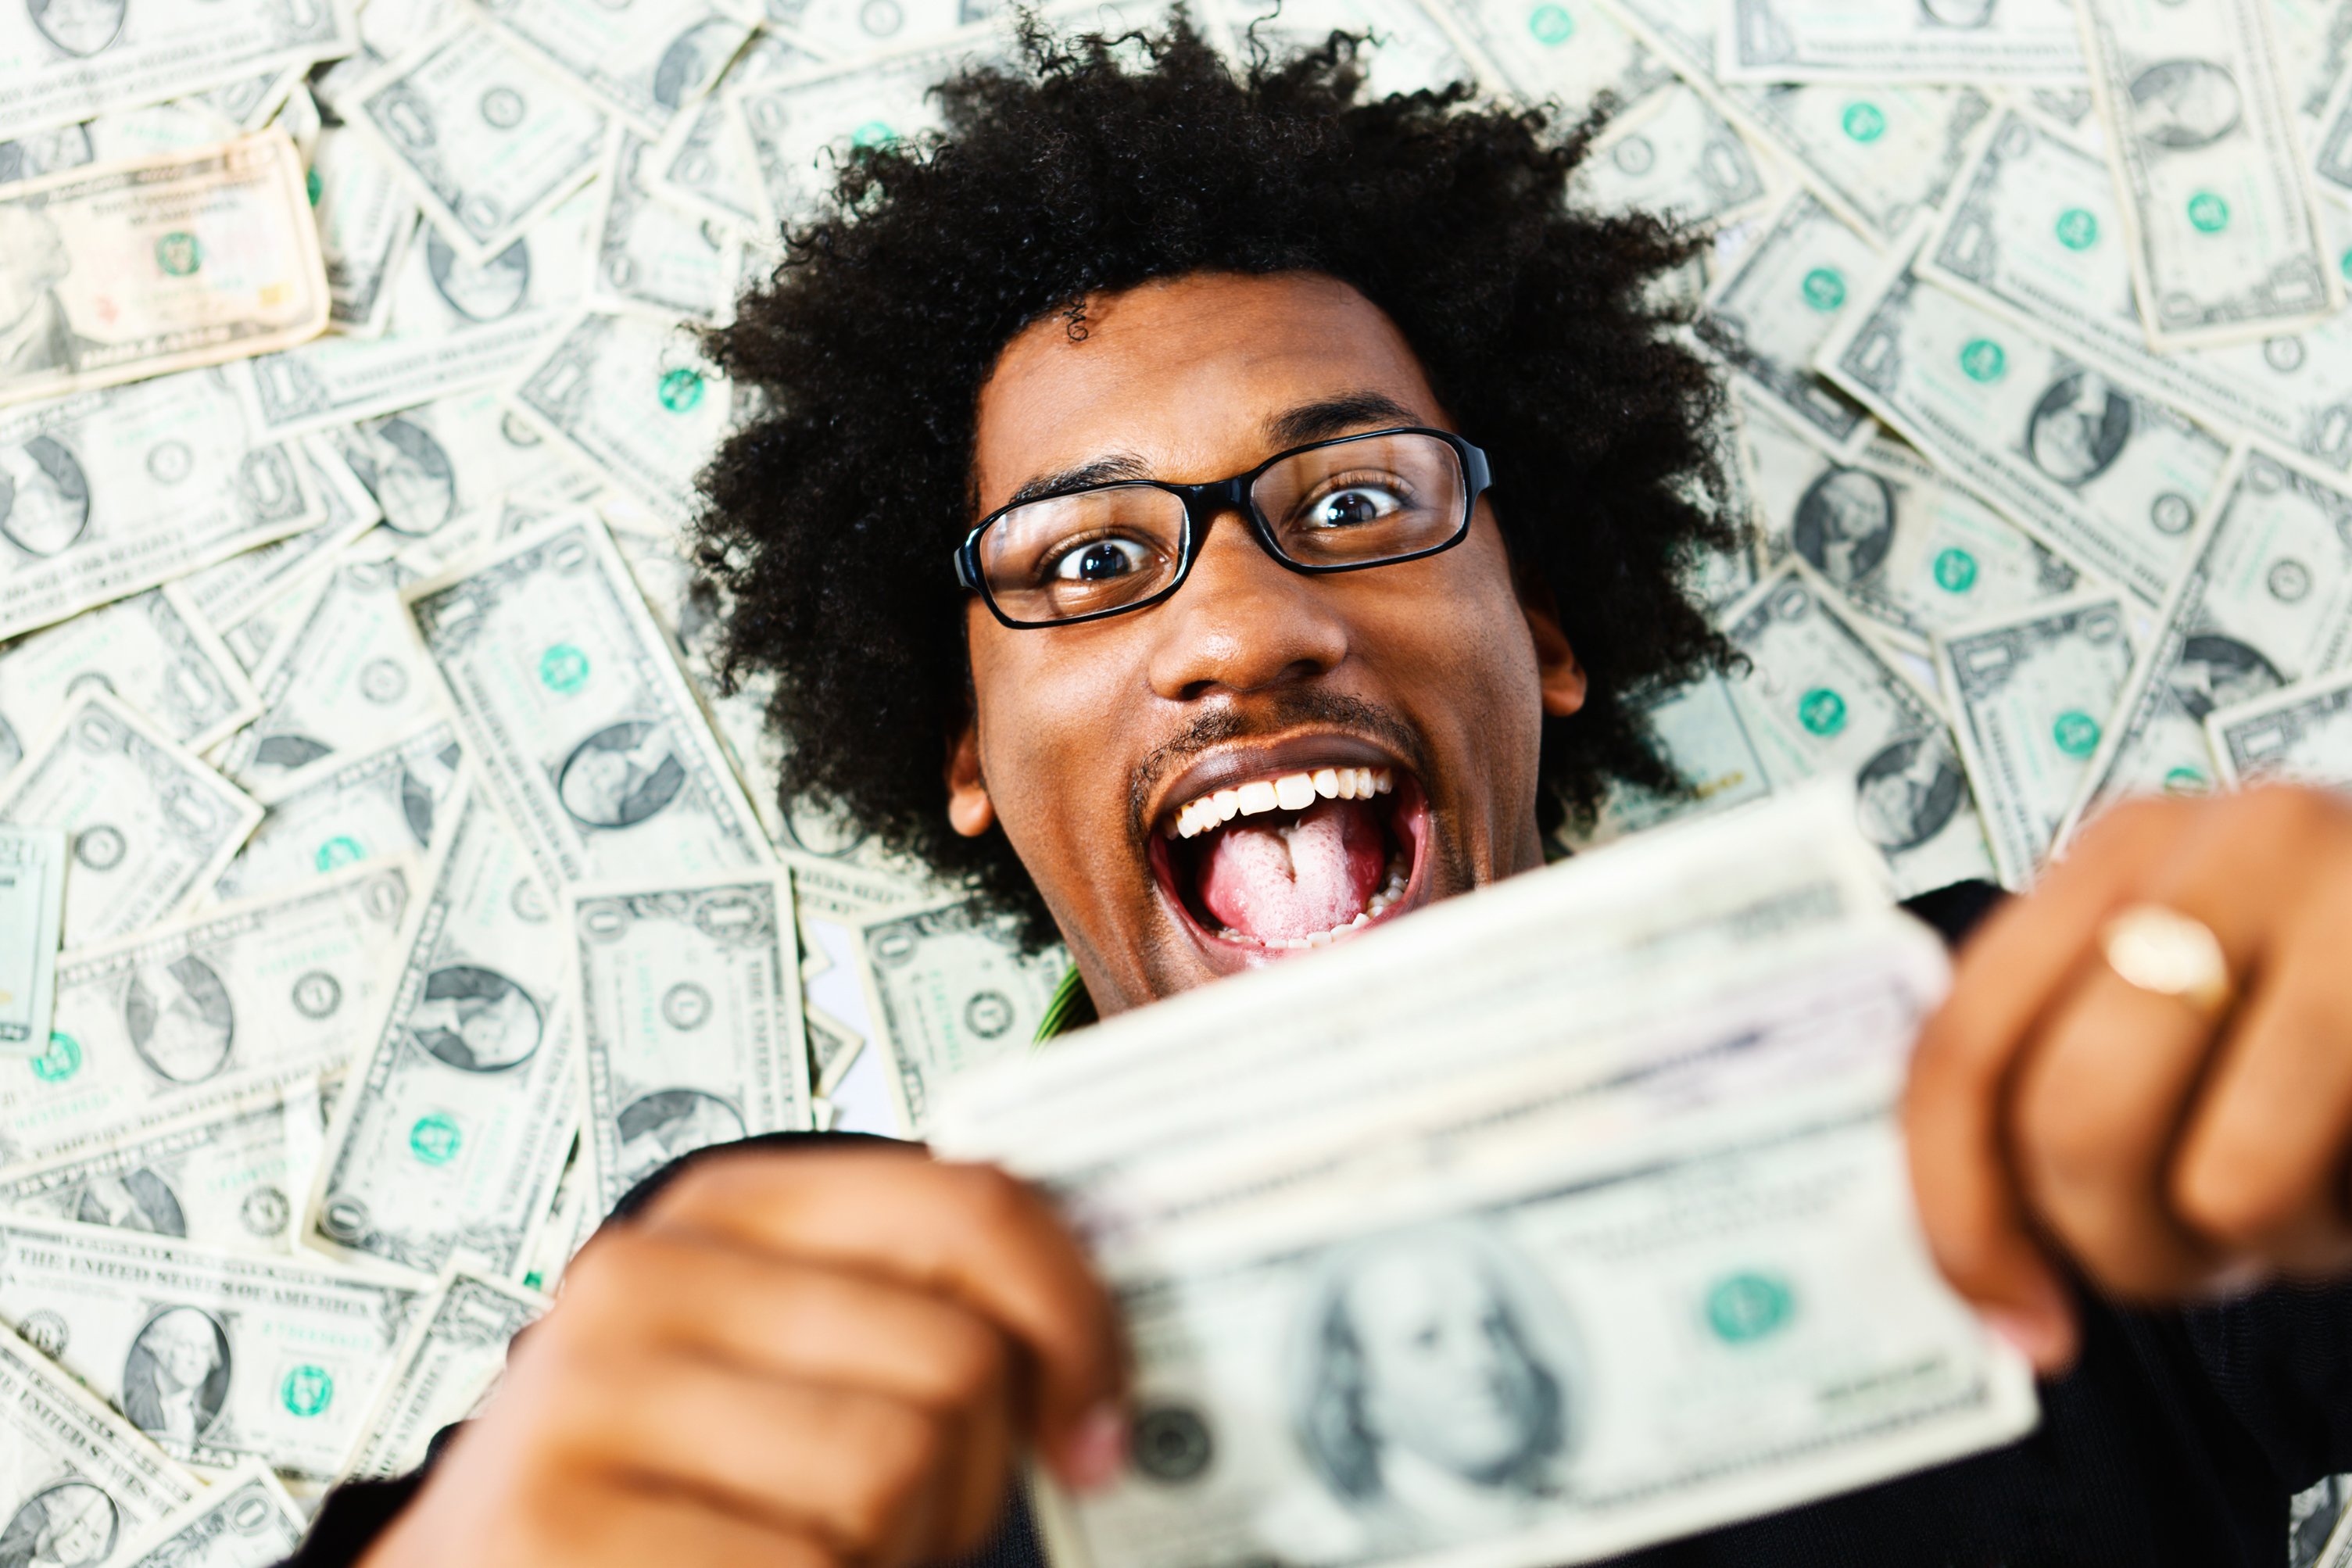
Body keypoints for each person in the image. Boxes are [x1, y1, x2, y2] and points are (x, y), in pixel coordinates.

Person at [306, 23, 2352, 1568]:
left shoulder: (2031, 1063)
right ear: (963, 754)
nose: (1243, 627)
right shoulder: (787, 1300)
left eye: (1353, 501)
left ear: (1540, 629)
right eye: (1088, 563)